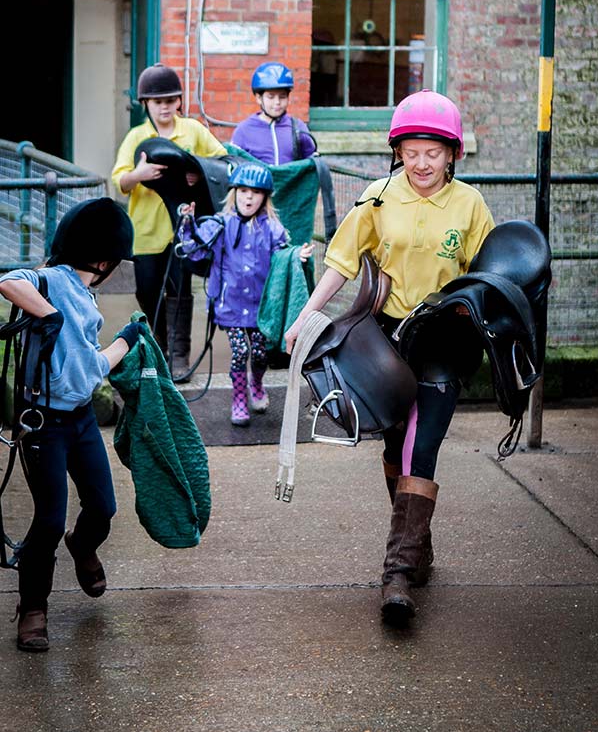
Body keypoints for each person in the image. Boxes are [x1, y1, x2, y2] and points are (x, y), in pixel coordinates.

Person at [284, 89, 495, 624]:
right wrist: (306, 317)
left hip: (444, 344)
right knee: (395, 448)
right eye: (412, 150)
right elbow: (342, 261)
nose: (422, 162)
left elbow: (488, 276)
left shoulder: (470, 206)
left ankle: (396, 574)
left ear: (452, 154)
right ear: (397, 150)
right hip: (386, 344)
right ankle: (416, 543)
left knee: (421, 452)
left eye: (434, 152)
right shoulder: (377, 197)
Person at [0, 198, 145, 652]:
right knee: (47, 520)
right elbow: (7, 279)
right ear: (104, 260)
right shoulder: (52, 280)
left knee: (102, 506)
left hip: (80, 419)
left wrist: (123, 341)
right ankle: (32, 609)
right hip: (43, 422)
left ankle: (83, 546)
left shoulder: (86, 295)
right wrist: (47, 314)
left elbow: (86, 368)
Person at [111, 63, 227, 372]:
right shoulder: (136, 136)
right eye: (157, 101)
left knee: (180, 289)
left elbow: (222, 163)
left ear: (178, 101)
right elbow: (119, 181)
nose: (164, 106)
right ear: (145, 104)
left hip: (184, 229)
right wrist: (140, 173)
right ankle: (161, 344)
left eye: (170, 100)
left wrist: (198, 171)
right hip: (147, 230)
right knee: (147, 291)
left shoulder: (193, 130)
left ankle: (179, 356)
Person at [178, 163, 313, 427]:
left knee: (261, 353)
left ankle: (257, 383)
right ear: (234, 193)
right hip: (231, 306)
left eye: (255, 192)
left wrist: (295, 255)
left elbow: (282, 256)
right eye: (243, 191)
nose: (248, 197)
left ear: (265, 198)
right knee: (240, 352)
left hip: (261, 307)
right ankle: (239, 398)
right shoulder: (220, 224)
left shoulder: (272, 228)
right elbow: (194, 250)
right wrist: (187, 223)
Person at [231, 62, 317, 165]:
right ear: (259, 98)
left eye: (282, 96)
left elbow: (311, 163)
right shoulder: (244, 130)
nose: (277, 102)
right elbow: (233, 164)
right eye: (271, 97)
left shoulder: (298, 127)